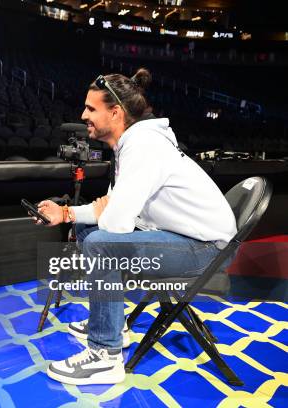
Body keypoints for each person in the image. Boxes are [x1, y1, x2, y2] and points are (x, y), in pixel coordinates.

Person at [35, 68, 237, 386]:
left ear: (115, 112)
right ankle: (114, 324)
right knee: (90, 234)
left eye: (91, 108)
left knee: (101, 242)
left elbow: (114, 222)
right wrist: (66, 214)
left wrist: (95, 215)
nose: (83, 114)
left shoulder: (143, 146)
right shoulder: (134, 144)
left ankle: (105, 355)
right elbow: (110, 209)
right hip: (185, 238)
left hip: (207, 249)